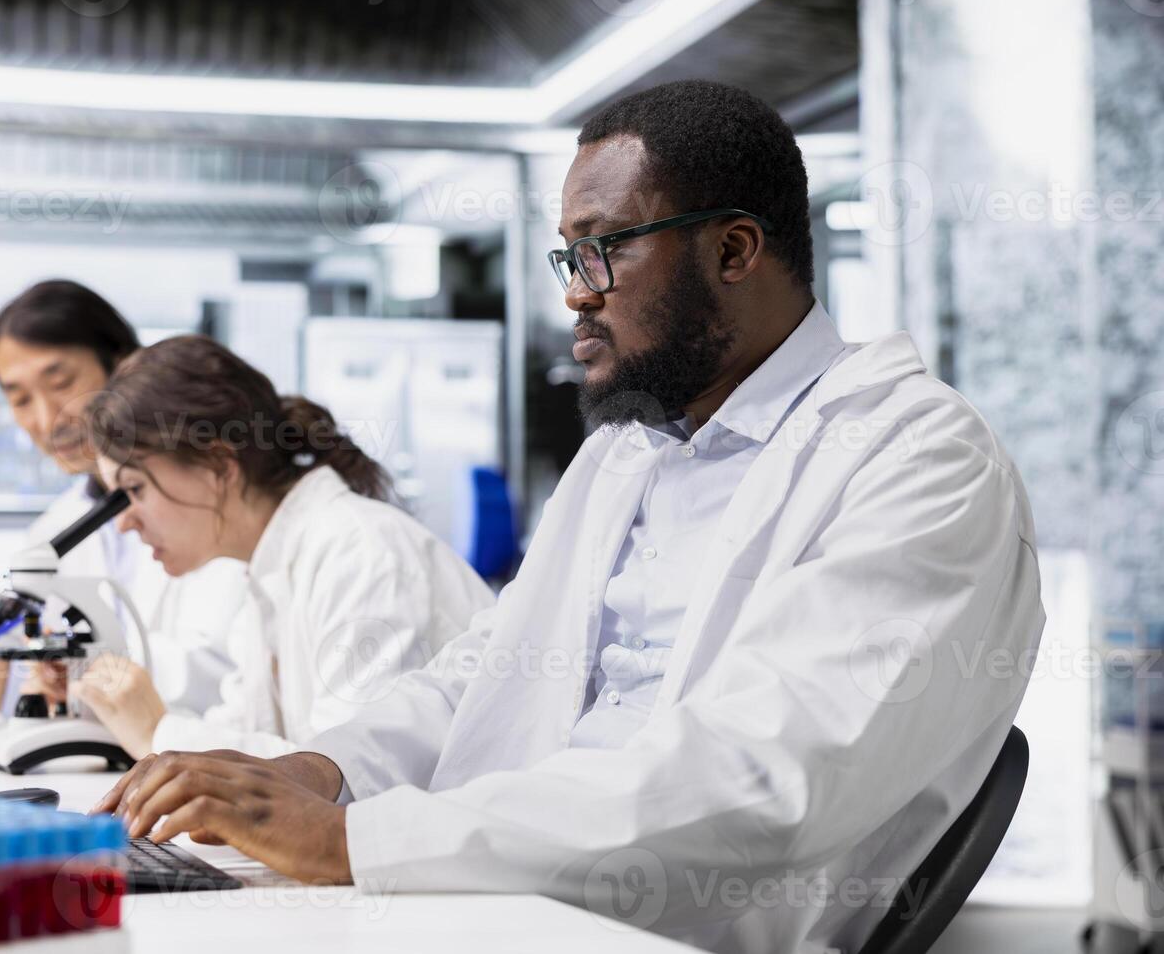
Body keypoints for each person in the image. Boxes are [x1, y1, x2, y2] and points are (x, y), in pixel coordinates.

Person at [91, 80, 1046, 954]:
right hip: (506, 905)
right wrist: (324, 773)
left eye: (605, 247)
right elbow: (485, 671)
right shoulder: (628, 451)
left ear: (733, 250)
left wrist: (358, 841)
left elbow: (763, 778)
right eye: (569, 252)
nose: (575, 290)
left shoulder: (916, 457)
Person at [66, 335, 495, 761]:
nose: (124, 522)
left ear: (218, 467)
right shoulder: (271, 573)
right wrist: (111, 708)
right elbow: (241, 731)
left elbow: (347, 775)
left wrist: (157, 733)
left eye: (134, 489)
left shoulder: (359, 553)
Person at [0, 281, 241, 726]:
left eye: (61, 383)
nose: (47, 420)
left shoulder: (208, 500)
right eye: (20, 399)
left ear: (123, 365)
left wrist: (57, 674)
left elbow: (226, 675)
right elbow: (37, 675)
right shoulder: (51, 532)